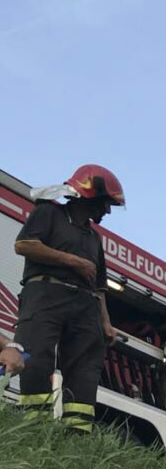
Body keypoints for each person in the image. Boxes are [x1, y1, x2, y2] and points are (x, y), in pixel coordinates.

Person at [0, 165, 122, 433]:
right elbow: (24, 245)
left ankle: (77, 434)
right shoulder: (49, 213)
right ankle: (35, 428)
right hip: (45, 295)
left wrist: (106, 323)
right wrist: (73, 261)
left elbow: (99, 286)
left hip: (85, 304)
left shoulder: (93, 238)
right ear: (89, 195)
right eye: (105, 203)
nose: (107, 211)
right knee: (36, 357)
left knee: (84, 369)